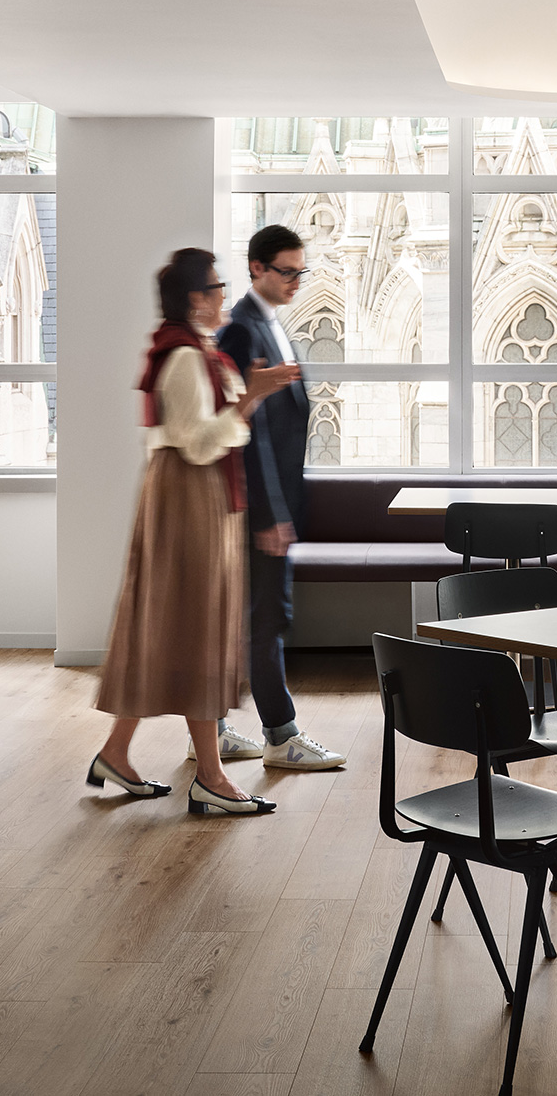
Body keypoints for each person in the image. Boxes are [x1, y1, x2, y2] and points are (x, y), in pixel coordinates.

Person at [88, 248, 300, 815]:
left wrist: (251, 396)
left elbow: (213, 430)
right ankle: (210, 776)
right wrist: (251, 398)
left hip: (197, 497)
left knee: (176, 626)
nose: (223, 295)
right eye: (216, 286)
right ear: (193, 297)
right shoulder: (184, 358)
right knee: (198, 625)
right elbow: (199, 442)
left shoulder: (197, 351)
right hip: (189, 496)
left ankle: (118, 754)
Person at [214, 225, 347, 770]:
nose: (297, 281)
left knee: (247, 618)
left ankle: (217, 728)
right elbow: (251, 433)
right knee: (265, 617)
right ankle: (280, 734)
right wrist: (269, 513)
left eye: (301, 272)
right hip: (255, 508)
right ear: (256, 269)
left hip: (273, 502)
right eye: (287, 272)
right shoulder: (242, 332)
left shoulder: (270, 323)